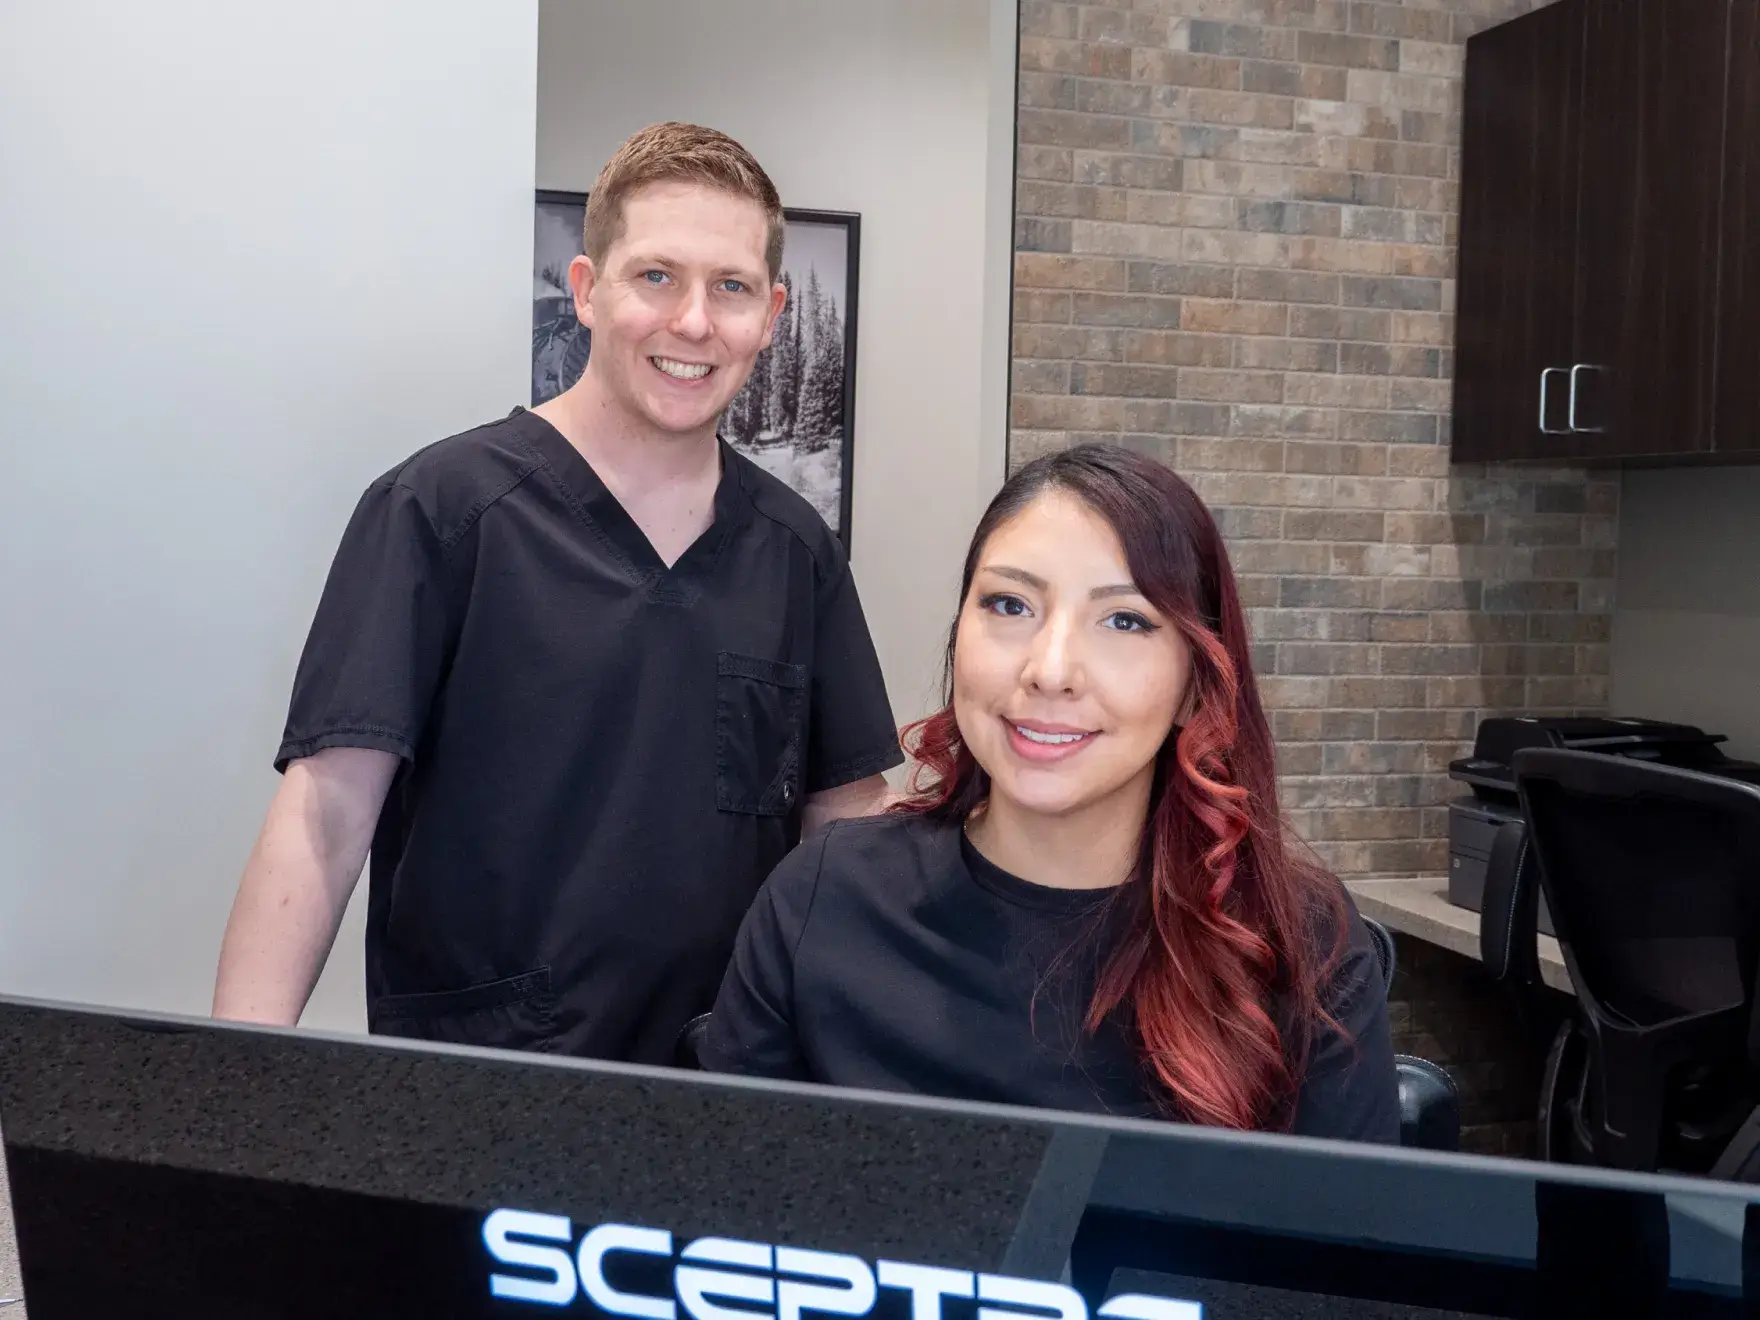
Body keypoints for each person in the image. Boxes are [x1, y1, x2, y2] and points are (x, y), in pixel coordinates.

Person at [211, 122, 902, 1063]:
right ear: (586, 291)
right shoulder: (443, 511)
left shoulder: (795, 552)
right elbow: (325, 816)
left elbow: (844, 829)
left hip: (729, 1088)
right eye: (656, 277)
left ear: (773, 315)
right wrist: (231, 1097)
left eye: (730, 288)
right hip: (483, 1082)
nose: (694, 322)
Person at [700, 443, 1399, 1141]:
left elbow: (1346, 1247)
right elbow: (715, 1215)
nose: (1051, 669)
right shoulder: (824, 898)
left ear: (1196, 685)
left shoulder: (1297, 939)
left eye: (1124, 620)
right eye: (1010, 605)